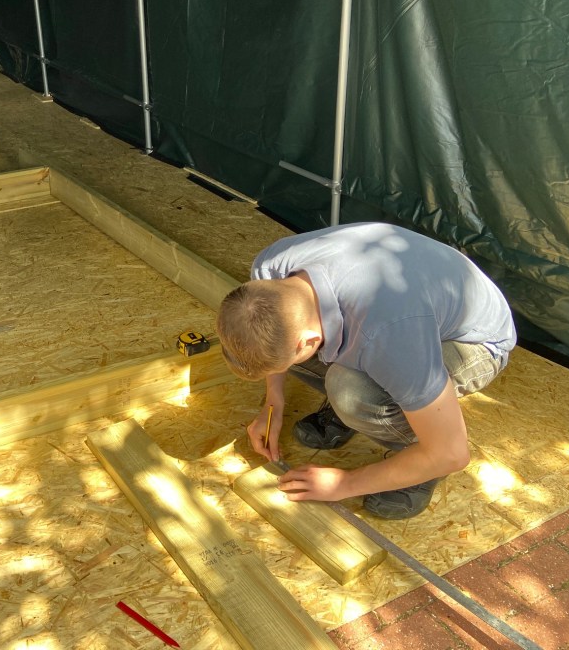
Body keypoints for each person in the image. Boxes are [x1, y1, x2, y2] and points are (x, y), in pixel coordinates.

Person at [216, 222, 516, 519]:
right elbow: (281, 337)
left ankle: (416, 461)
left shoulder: (391, 334)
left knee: (351, 392)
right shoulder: (270, 270)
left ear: (308, 341)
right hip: (406, 306)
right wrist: (273, 402)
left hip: (475, 339)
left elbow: (452, 453)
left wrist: (344, 484)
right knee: (295, 358)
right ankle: (356, 408)